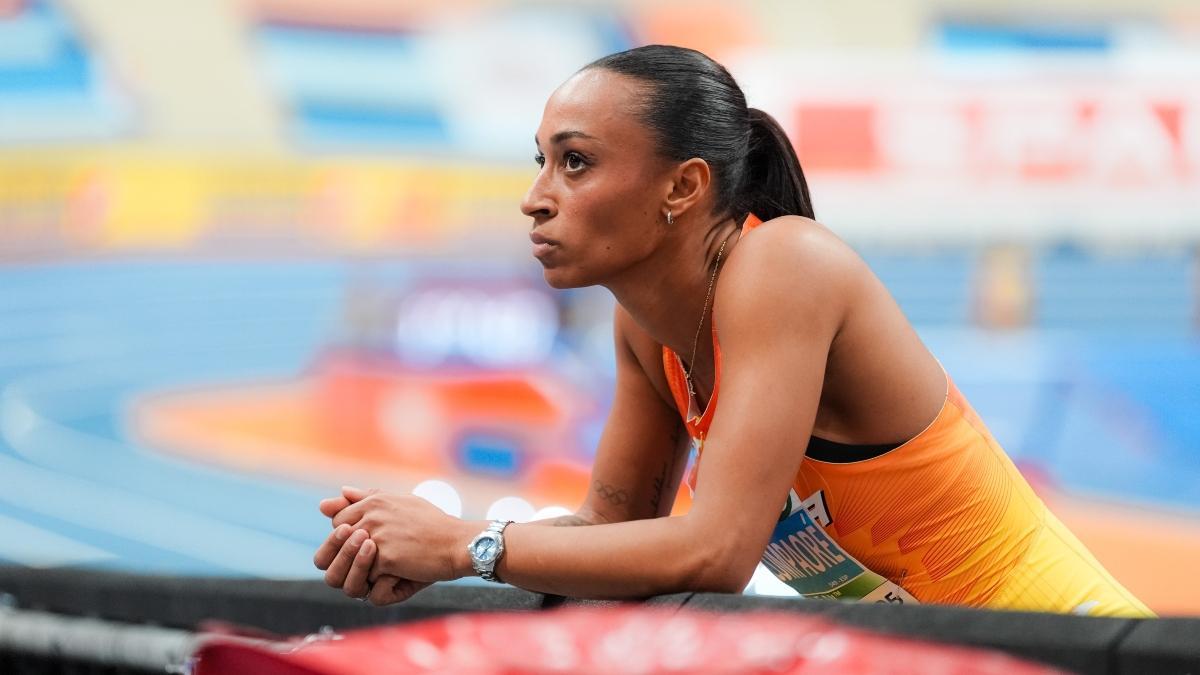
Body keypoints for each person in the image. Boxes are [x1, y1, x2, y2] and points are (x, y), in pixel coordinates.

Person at [313, 45, 1152, 617]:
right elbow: (612, 537)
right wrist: (417, 545)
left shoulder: (784, 266)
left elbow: (714, 551)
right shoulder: (647, 333)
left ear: (683, 186)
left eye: (574, 162)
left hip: (1060, 637)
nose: (536, 195)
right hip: (940, 654)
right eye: (538, 160)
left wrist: (471, 544)